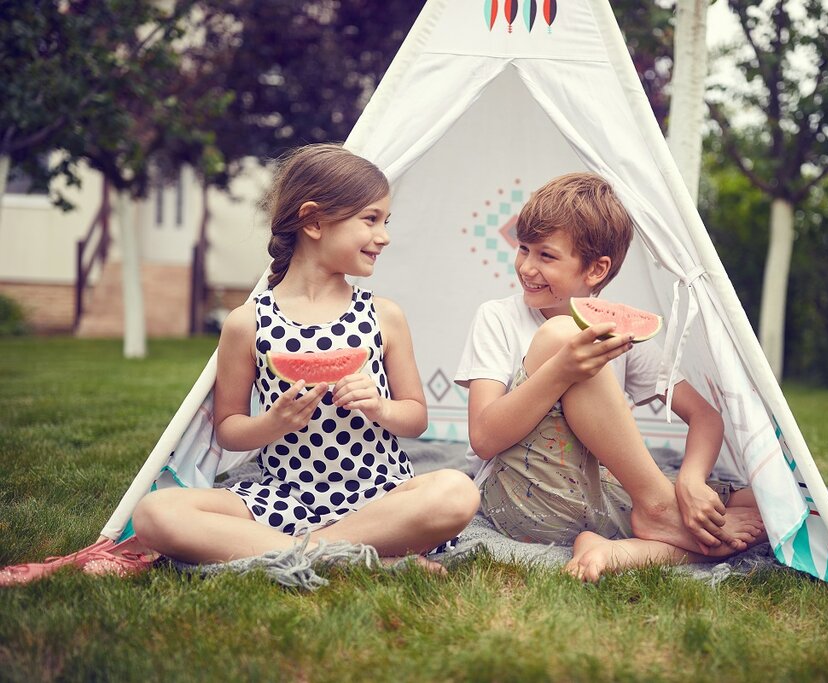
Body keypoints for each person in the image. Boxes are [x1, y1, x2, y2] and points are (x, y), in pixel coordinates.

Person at [132, 144, 479, 572]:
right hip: (284, 497)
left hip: (379, 498)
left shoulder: (384, 316)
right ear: (314, 221)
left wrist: (380, 405)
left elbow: (415, 417)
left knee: (456, 491)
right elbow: (229, 430)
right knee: (153, 513)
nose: (384, 236)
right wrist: (271, 424)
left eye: (385, 221)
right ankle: (353, 558)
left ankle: (298, 549)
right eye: (370, 219)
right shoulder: (248, 324)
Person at [454, 172, 765, 582]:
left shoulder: (623, 329)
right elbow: (484, 438)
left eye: (546, 256)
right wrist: (560, 370)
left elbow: (706, 416)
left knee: (768, 508)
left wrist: (690, 481)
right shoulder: (498, 318)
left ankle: (620, 552)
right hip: (527, 500)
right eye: (524, 249)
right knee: (563, 335)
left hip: (601, 496)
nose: (527, 267)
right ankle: (657, 509)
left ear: (597, 269)